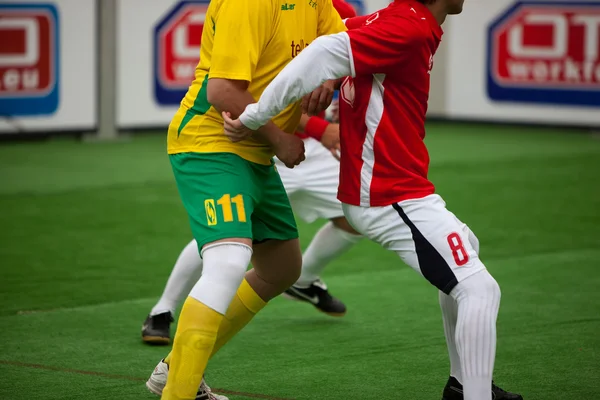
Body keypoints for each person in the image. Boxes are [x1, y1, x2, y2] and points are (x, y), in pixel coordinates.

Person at [222, 1, 524, 399]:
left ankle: (462, 384)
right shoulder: (409, 28)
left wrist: (330, 77)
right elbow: (322, 51)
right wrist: (256, 115)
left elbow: (335, 32)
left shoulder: (404, 20)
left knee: (467, 251)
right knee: (480, 290)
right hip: (387, 194)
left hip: (397, 189)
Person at [145, 0, 348, 398]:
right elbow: (221, 91)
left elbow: (345, 42)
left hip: (253, 151)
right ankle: (178, 390)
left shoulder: (318, 2)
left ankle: (176, 370)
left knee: (282, 268)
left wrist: (331, 76)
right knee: (229, 260)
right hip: (211, 144)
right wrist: (282, 140)